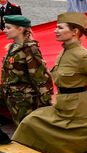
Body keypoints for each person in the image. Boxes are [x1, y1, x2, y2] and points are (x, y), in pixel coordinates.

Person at [13, 11, 87, 153]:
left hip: (81, 109)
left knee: (80, 150)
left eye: (60, 28)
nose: (56, 31)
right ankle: (62, 152)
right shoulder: (64, 51)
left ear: (74, 32)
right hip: (63, 105)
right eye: (56, 27)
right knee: (31, 121)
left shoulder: (83, 56)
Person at [1, 16, 52, 144]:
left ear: (20, 29)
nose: (4, 30)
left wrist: (45, 100)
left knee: (32, 134)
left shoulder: (29, 49)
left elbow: (39, 76)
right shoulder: (13, 47)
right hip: (12, 97)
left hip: (25, 99)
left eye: (8, 28)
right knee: (25, 134)